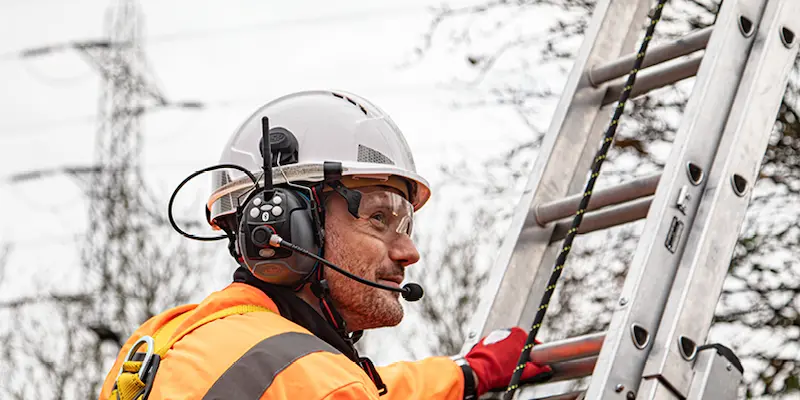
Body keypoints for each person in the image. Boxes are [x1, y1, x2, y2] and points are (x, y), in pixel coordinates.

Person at [98, 90, 552, 400]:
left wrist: (467, 372)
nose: (408, 252)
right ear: (290, 228)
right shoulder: (313, 378)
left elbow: (366, 388)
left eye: (405, 224)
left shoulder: (165, 340)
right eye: (379, 218)